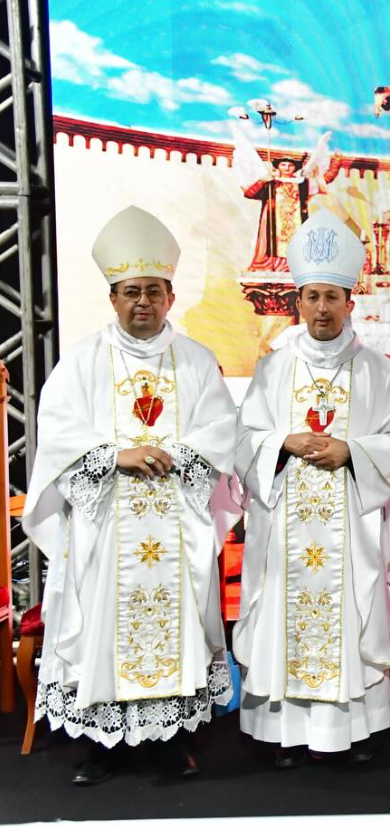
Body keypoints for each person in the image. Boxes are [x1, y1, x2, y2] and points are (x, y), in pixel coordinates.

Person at [22, 207, 239, 784]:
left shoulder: (195, 361)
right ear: (112, 297)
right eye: (130, 292)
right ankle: (102, 746)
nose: (142, 302)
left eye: (153, 291)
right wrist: (116, 456)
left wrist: (177, 457)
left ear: (170, 296)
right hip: (106, 522)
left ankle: (173, 744)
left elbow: (222, 432)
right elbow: (59, 437)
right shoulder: (83, 362)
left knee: (179, 623)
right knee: (101, 627)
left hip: (176, 520)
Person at [232, 209, 390, 766]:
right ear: (299, 301)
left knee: (349, 612)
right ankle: (286, 733)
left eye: (331, 297)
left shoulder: (377, 370)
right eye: (311, 296)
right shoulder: (272, 369)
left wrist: (353, 452)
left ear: (349, 303)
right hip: (286, 525)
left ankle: (352, 731)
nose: (321, 308)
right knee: (284, 613)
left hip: (351, 528)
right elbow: (243, 440)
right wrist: (281, 445)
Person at [238, 132, 341, 270]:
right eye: (283, 165)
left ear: (295, 168)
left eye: (290, 165)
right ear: (278, 167)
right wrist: (262, 181)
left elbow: (325, 180)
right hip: (273, 223)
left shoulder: (302, 184)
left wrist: (336, 164)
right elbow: (249, 193)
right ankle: (271, 265)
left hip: (296, 222)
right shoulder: (271, 183)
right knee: (271, 243)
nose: (287, 168)